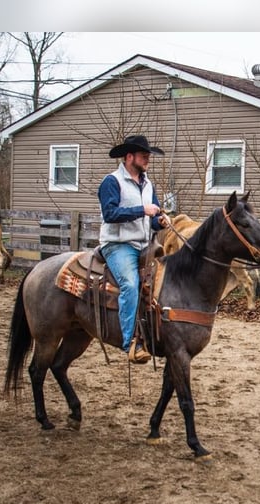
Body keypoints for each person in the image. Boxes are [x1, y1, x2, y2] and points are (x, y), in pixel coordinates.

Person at [98, 135, 168, 364]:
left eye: (148, 156)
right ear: (129, 157)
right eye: (144, 156)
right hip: (118, 245)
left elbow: (153, 218)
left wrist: (161, 221)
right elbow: (110, 215)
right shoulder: (112, 181)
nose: (148, 159)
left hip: (144, 245)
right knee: (129, 284)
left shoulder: (148, 184)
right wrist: (143, 210)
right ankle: (130, 342)